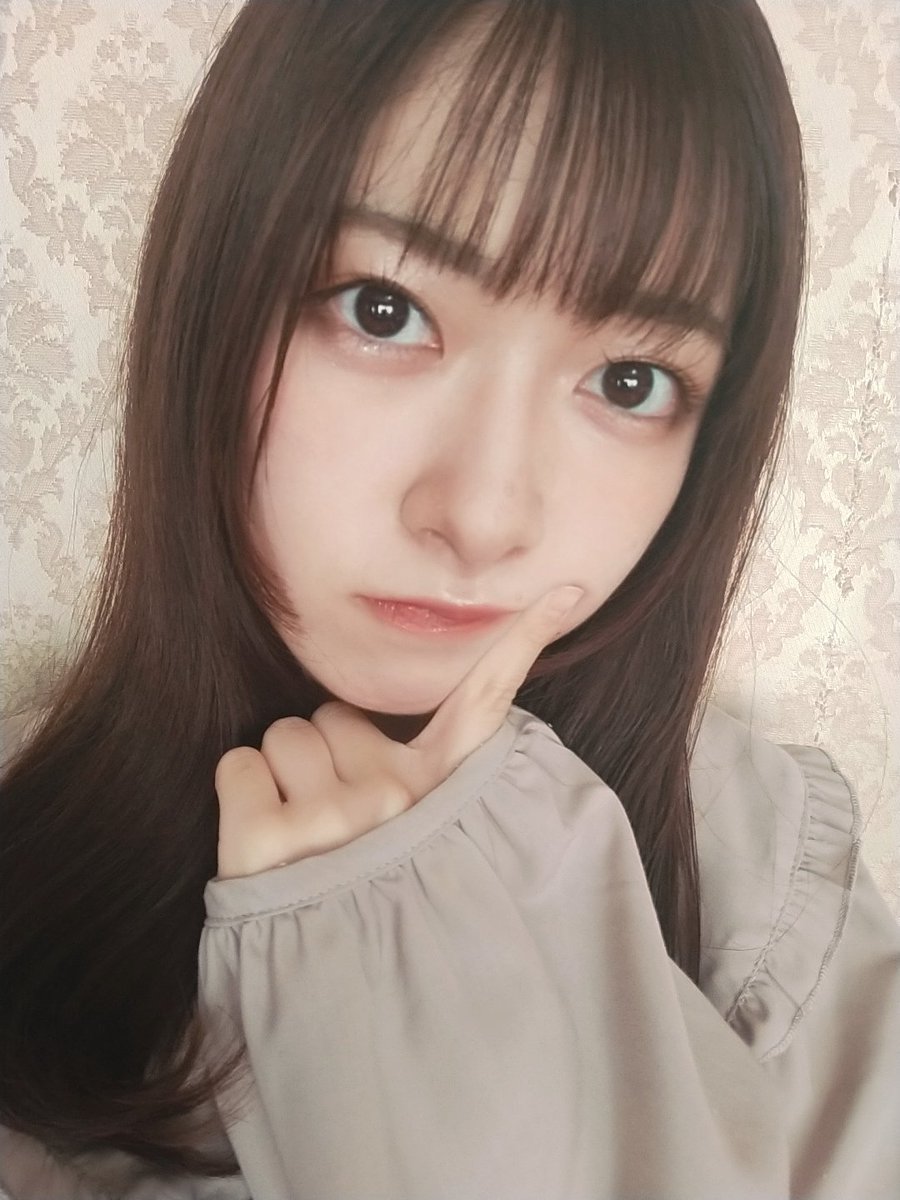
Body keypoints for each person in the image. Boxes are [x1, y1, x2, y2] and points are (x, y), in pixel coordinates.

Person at [0, 0, 897, 1197]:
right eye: (385, 310)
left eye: (631, 380)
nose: (482, 516)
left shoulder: (767, 884)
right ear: (213, 296)